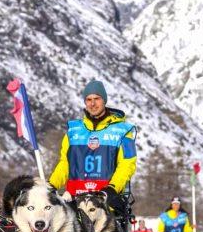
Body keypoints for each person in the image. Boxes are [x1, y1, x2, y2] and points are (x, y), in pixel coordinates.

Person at [49, 80, 137, 217]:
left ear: (104, 100)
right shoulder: (73, 131)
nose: (93, 103)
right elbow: (65, 164)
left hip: (106, 203)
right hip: (75, 202)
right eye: (89, 99)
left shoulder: (123, 131)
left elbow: (127, 165)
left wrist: (112, 189)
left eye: (97, 98)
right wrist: (51, 185)